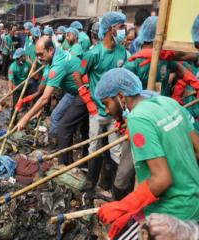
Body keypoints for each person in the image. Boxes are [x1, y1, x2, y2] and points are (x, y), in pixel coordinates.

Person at [95, 68, 199, 239]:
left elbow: (161, 179)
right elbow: (197, 150)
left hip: (172, 213)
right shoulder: (168, 102)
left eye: (106, 103)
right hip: (193, 202)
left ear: (121, 97)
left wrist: (123, 206)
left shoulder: (138, 119)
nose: (106, 110)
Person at [76, 12, 128, 191]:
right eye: (121, 27)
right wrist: (87, 99)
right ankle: (91, 185)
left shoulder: (122, 52)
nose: (124, 31)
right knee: (94, 147)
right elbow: (77, 74)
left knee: (116, 151)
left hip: (116, 113)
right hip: (97, 111)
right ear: (110, 29)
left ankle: (115, 190)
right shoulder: (93, 53)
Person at [16, 36, 89, 165]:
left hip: (85, 92)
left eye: (40, 54)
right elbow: (42, 89)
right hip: (73, 92)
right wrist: (36, 104)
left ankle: (63, 165)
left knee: (64, 126)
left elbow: (45, 98)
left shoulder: (58, 64)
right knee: (59, 120)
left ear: (50, 50)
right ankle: (68, 160)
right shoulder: (52, 58)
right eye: (36, 55)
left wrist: (25, 119)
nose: (39, 58)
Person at [123, 16, 199, 98]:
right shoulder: (134, 63)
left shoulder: (164, 58)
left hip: (163, 107)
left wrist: (196, 84)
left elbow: (178, 68)